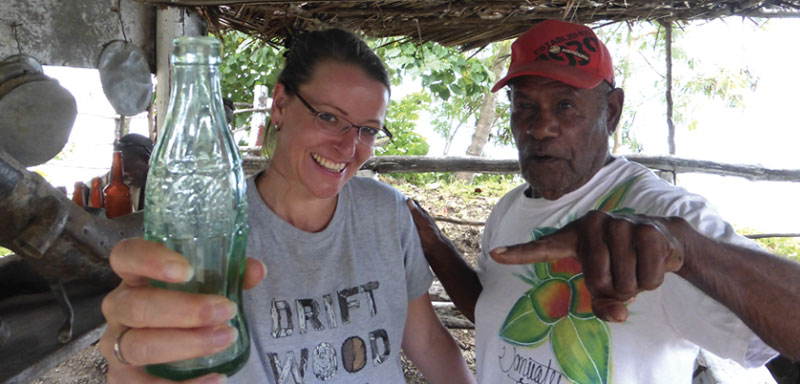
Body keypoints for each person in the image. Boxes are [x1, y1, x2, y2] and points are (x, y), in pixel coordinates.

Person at [407, 19, 800, 384]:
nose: (540, 126)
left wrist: (691, 251)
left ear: (611, 112)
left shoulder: (663, 217)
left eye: (565, 105)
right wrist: (435, 246)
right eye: (524, 105)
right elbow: (494, 312)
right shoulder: (509, 208)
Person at [98, 29, 475, 384]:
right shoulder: (215, 230)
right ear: (279, 105)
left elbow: (424, 339)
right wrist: (133, 359)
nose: (347, 148)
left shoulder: (386, 212)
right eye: (329, 117)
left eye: (368, 130)